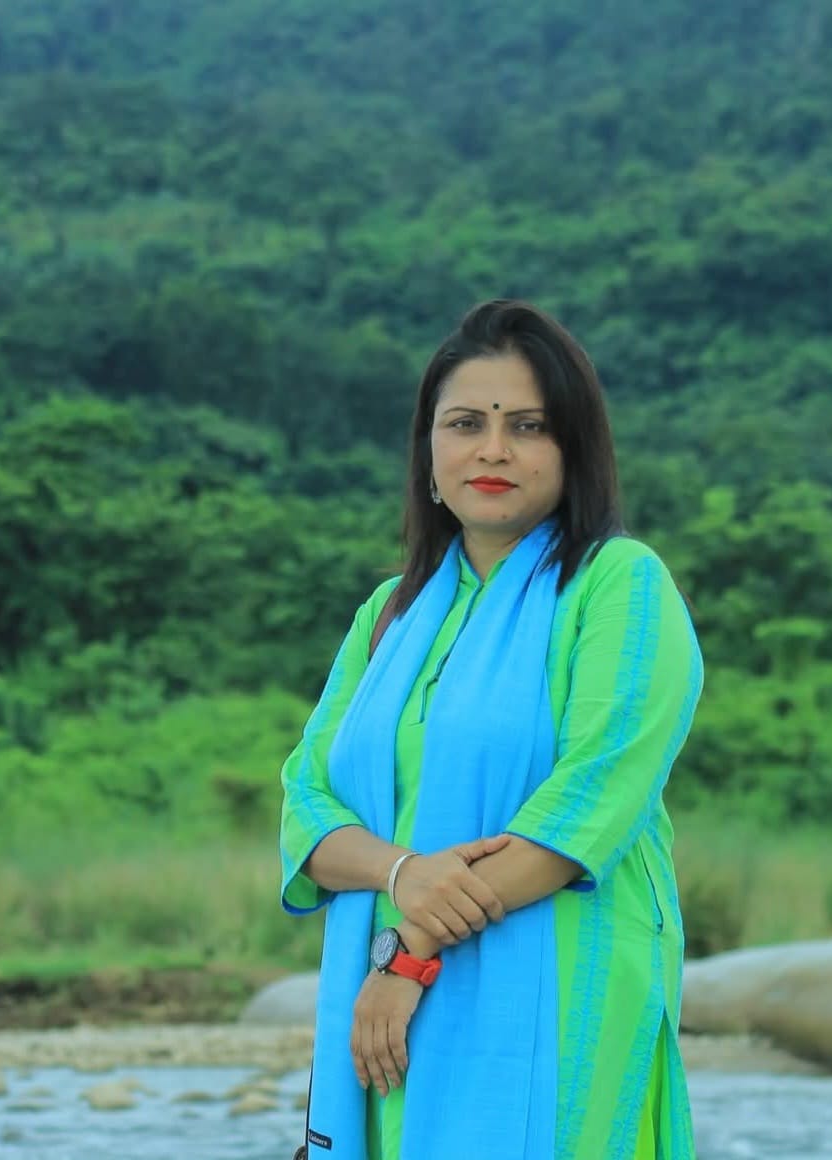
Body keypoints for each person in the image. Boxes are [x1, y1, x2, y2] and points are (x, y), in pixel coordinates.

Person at [279, 299, 704, 1160]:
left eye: (529, 426)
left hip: (552, 985)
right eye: (466, 423)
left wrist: (409, 954)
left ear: (573, 449)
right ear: (429, 453)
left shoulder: (618, 585)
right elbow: (307, 807)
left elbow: (590, 803)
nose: (494, 450)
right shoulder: (389, 614)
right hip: (388, 1012)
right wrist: (403, 872)